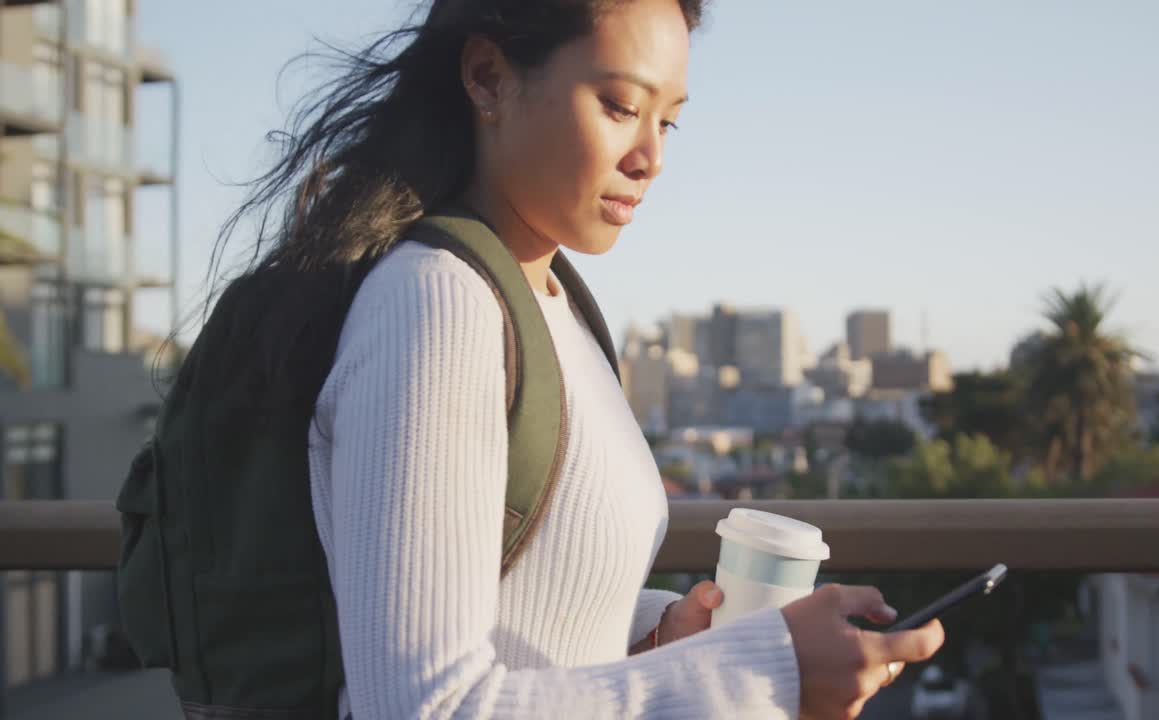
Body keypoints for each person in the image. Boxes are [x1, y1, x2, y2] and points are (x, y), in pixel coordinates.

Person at [213, 0, 945, 717]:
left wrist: (660, 636)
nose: (652, 158)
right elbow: (423, 705)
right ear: (487, 77)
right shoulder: (437, 302)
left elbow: (530, 609)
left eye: (669, 120)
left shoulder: (555, 307)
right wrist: (766, 669)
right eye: (621, 106)